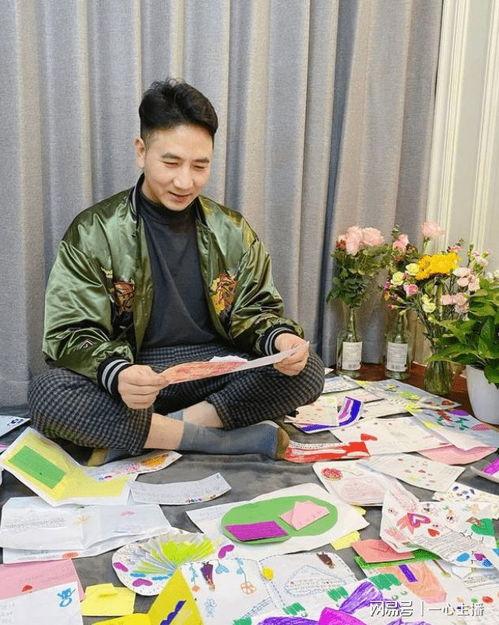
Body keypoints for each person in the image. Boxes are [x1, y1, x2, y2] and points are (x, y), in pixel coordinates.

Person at [29, 78, 324, 463]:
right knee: (49, 393)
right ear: (141, 151)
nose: (185, 181)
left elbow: (256, 312)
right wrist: (118, 374)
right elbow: (71, 333)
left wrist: (281, 341)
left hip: (215, 371)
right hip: (140, 376)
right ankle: (215, 439)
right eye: (171, 163)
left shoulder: (232, 230)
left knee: (308, 369)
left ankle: (158, 431)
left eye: (200, 166)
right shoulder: (94, 231)